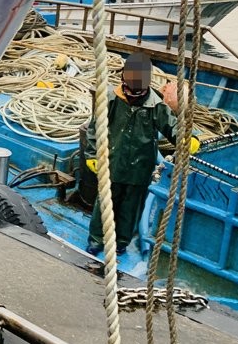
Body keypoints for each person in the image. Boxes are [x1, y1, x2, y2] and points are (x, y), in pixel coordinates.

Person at [83, 52, 199, 257]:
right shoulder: (110, 98)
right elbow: (95, 129)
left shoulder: (156, 105)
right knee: (105, 203)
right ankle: (96, 240)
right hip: (112, 162)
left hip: (140, 167)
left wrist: (189, 138)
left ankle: (121, 241)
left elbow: (173, 126)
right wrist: (92, 155)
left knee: (131, 206)